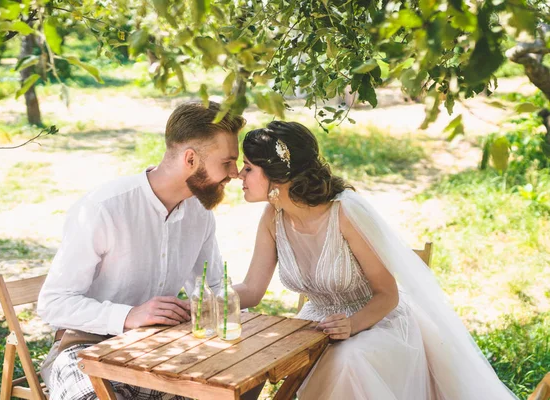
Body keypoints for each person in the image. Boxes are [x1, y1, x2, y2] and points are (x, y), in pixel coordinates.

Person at [235, 120, 517, 400]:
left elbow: (388, 294)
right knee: (259, 356)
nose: (239, 175)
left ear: (279, 174)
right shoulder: (273, 217)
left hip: (379, 324)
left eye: (248, 167)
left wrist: (351, 325)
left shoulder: (344, 212)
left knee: (347, 361)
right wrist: (205, 300)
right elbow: (251, 290)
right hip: (318, 327)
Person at [38, 101, 247, 400]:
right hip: (85, 348)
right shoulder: (104, 208)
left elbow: (212, 287)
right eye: (227, 162)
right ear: (190, 159)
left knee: (239, 383)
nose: (235, 173)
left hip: (163, 349)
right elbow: (53, 304)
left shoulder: (200, 214)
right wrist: (129, 315)